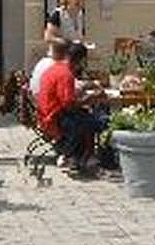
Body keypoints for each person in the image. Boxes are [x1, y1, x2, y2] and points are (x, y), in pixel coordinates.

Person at [36, 38, 105, 175]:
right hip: (55, 120)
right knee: (99, 121)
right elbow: (69, 105)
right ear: (80, 60)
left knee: (88, 116)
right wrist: (91, 98)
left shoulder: (55, 69)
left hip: (47, 115)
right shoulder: (65, 74)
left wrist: (84, 96)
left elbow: (65, 98)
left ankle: (80, 156)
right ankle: (79, 155)